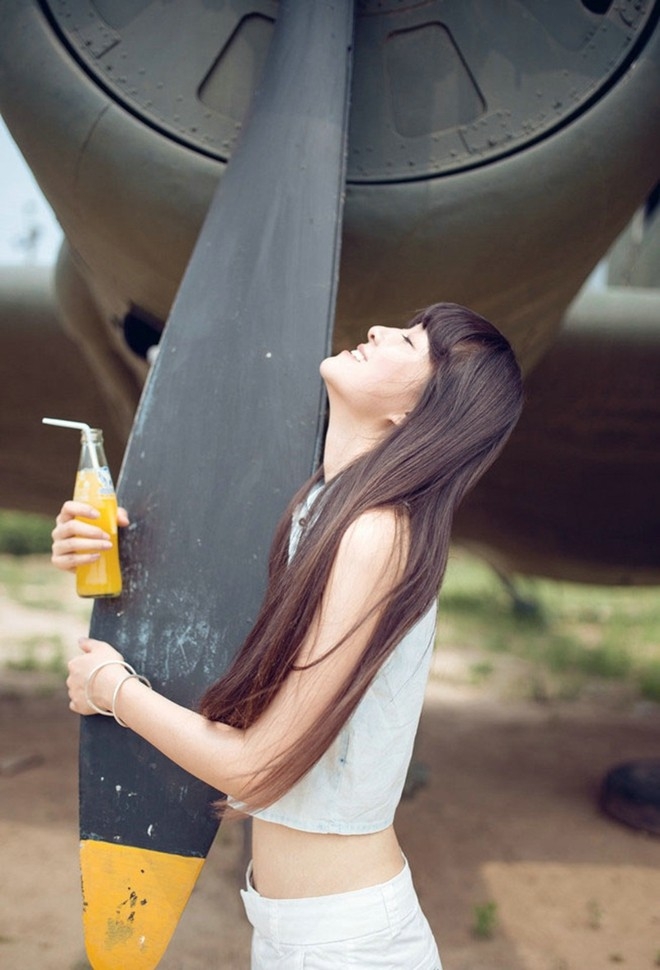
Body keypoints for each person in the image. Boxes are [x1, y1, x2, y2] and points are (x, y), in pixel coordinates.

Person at [52, 302, 523, 969]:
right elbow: (241, 644)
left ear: (419, 415)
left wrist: (113, 691)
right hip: (298, 929)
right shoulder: (321, 509)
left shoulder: (374, 535)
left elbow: (258, 766)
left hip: (343, 944)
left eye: (414, 343)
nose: (382, 329)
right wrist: (106, 549)